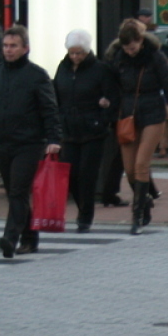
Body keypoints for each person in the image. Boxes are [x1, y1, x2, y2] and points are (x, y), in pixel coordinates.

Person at [0, 25, 62, 259]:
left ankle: (10, 238)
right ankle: (30, 238)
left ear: (26, 48)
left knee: (18, 191)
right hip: (3, 141)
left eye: (13, 46)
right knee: (15, 193)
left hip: (29, 143)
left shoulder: (36, 75)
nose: (8, 50)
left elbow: (49, 110)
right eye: (5, 46)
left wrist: (54, 138)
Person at [110, 19, 168, 235]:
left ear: (140, 41)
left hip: (153, 112)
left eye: (133, 47)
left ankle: (137, 214)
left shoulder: (156, 58)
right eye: (126, 48)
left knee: (142, 163)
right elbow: (113, 86)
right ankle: (144, 202)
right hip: (128, 115)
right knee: (130, 168)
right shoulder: (119, 59)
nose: (130, 52)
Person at [54, 29, 118, 233]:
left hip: (93, 129)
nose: (75, 57)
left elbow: (112, 97)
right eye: (72, 53)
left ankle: (85, 216)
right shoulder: (63, 69)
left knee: (87, 175)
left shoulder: (100, 69)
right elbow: (56, 94)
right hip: (69, 129)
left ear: (87, 51)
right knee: (72, 175)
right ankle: (82, 208)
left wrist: (103, 118)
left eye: (79, 53)